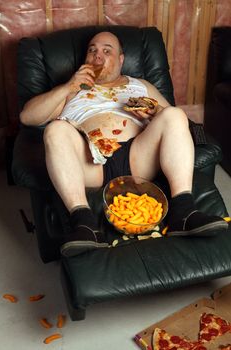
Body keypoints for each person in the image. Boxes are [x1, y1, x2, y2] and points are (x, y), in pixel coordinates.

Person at [20, 31, 228, 257]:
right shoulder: (70, 90)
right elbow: (28, 117)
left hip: (139, 156)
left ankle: (184, 212)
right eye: (92, 50)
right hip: (90, 163)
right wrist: (68, 87)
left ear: (121, 59)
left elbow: (180, 125)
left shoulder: (141, 85)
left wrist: (155, 112)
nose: (97, 56)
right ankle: (84, 223)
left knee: (174, 115)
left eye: (106, 50)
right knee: (55, 129)